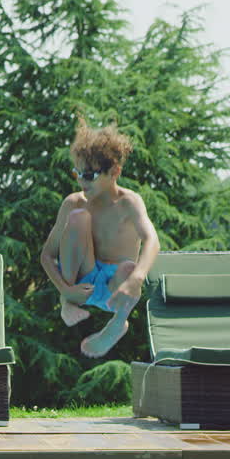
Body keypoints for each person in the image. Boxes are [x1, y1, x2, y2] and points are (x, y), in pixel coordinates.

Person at [40, 120, 161, 358]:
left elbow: (152, 240)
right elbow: (47, 255)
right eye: (77, 173)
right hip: (82, 282)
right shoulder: (74, 202)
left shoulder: (129, 203)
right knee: (78, 217)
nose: (81, 182)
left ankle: (117, 324)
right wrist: (65, 291)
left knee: (130, 269)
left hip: (116, 289)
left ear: (114, 172)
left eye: (88, 175)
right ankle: (69, 305)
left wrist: (136, 280)